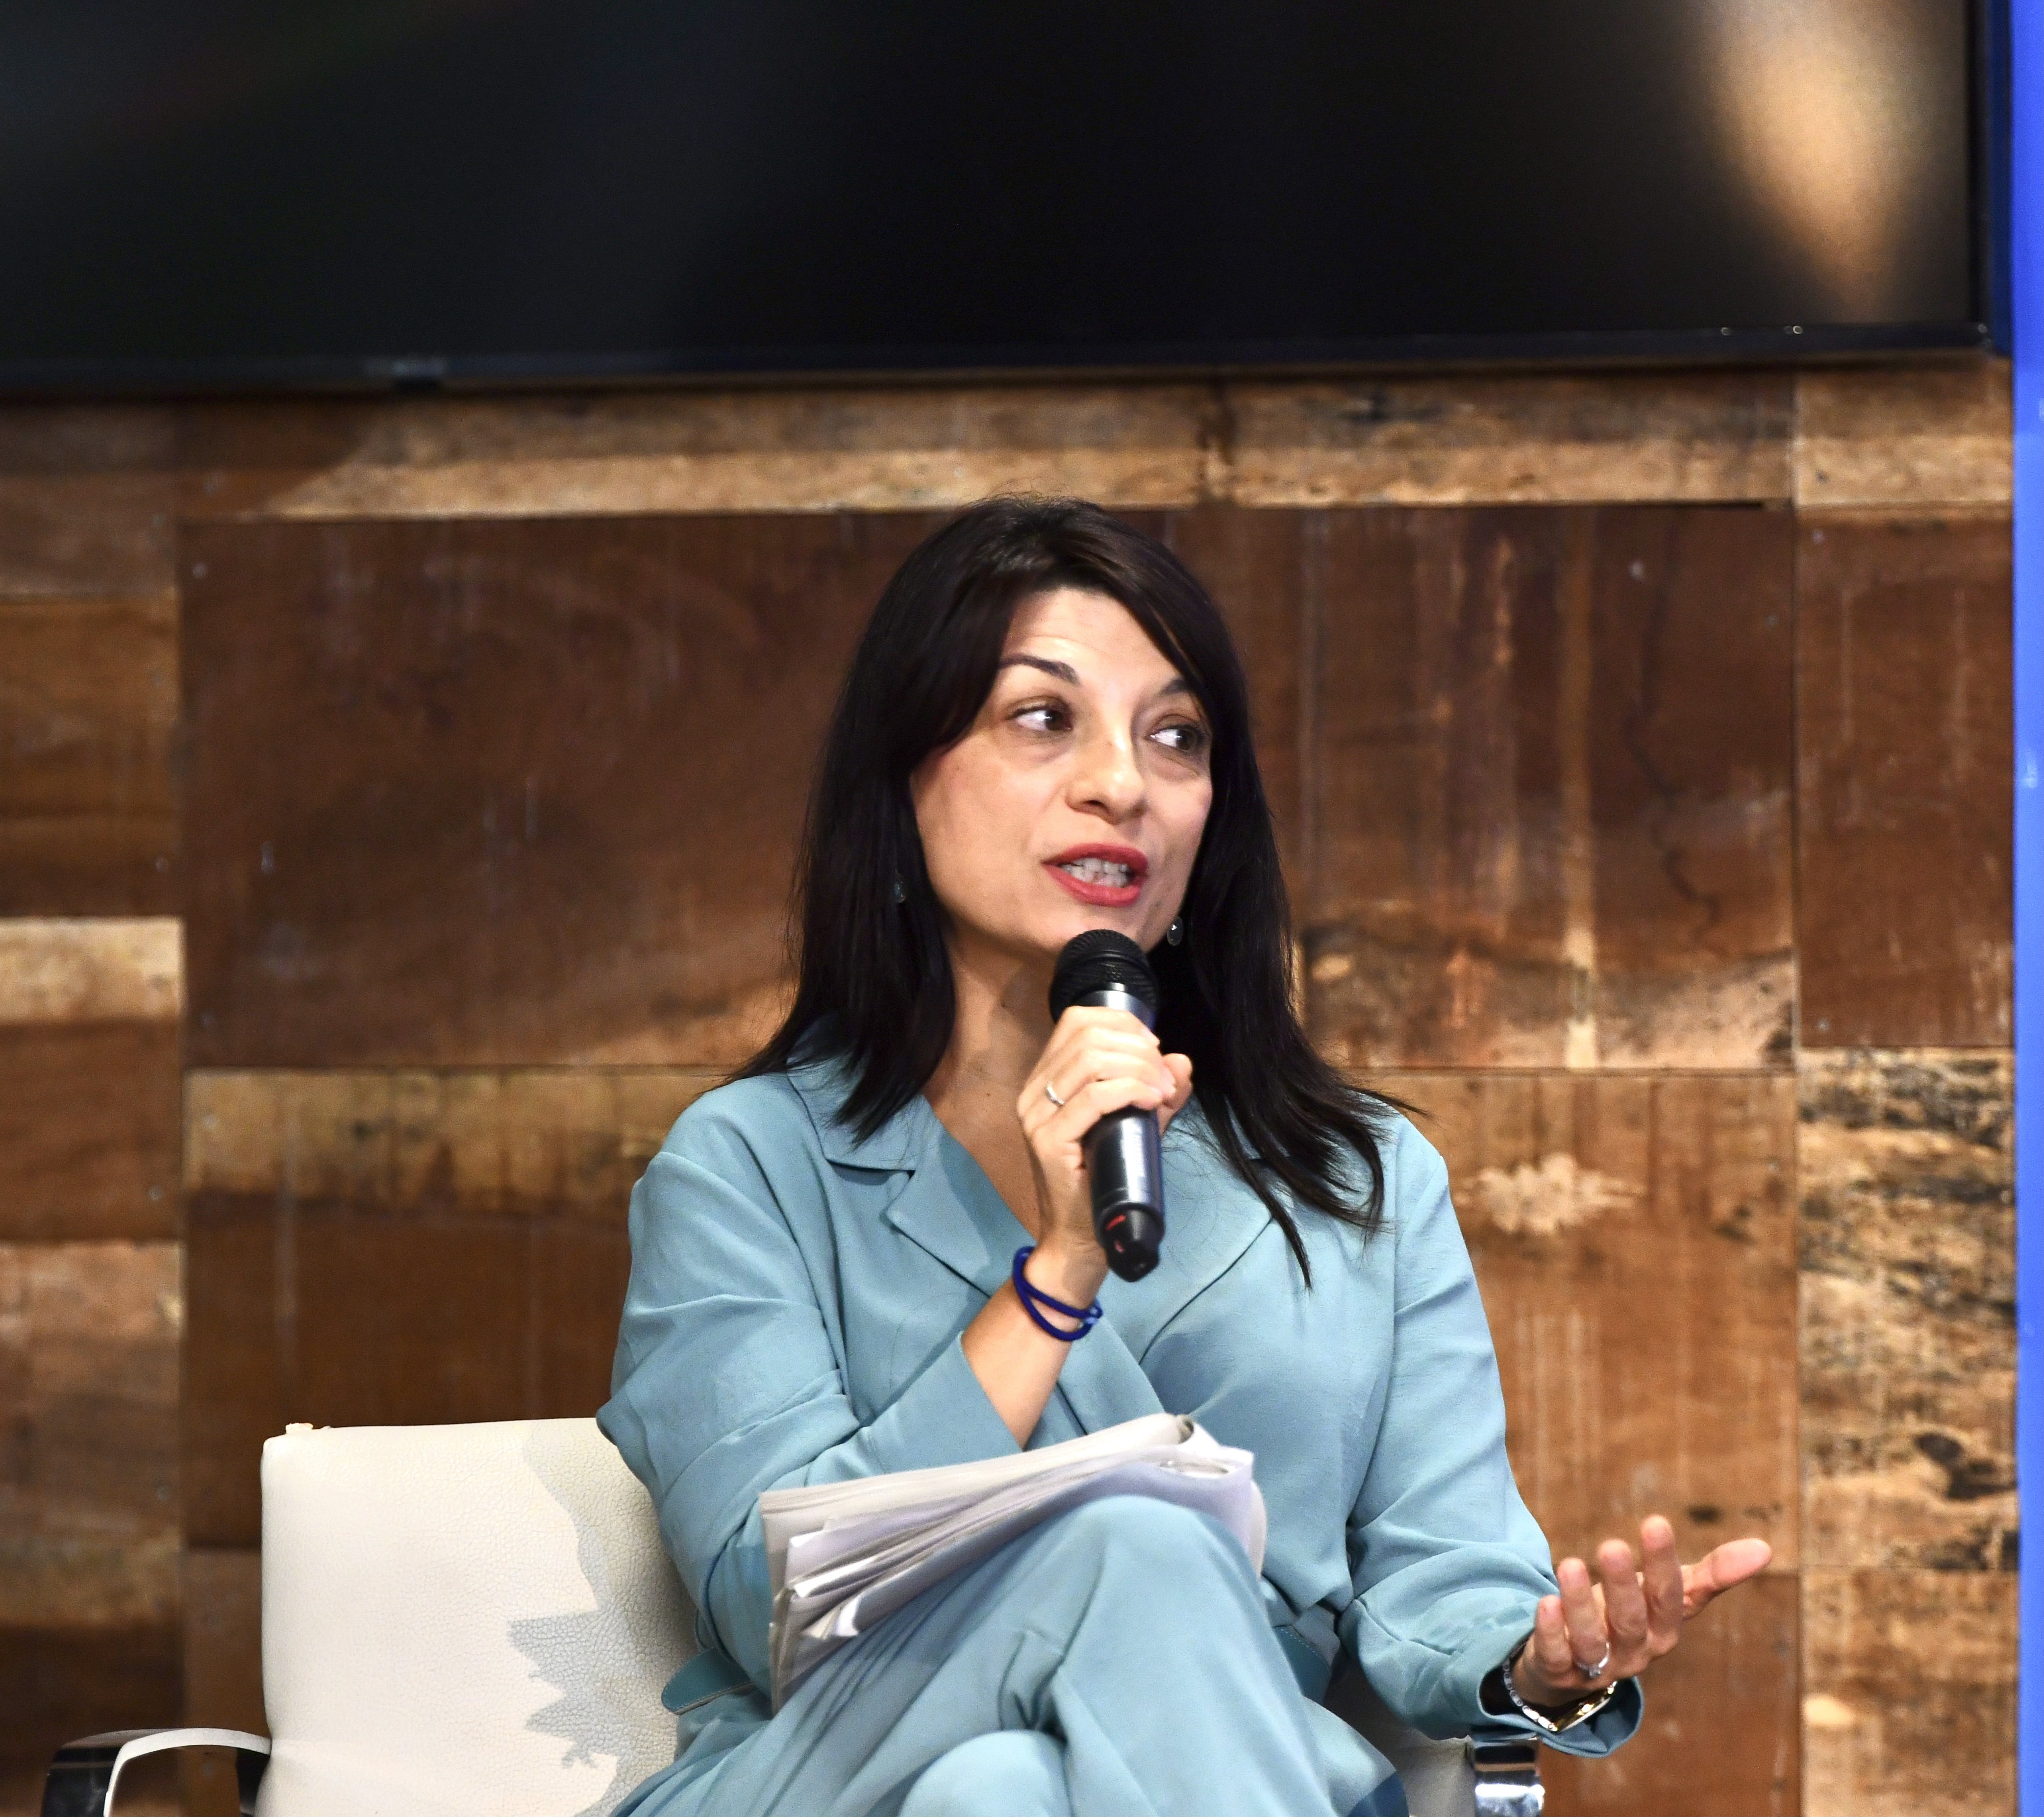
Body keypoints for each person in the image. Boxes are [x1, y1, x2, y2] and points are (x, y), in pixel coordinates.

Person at [598, 497, 1770, 1817]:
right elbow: (779, 1607)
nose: (1123, 782)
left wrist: (1544, 1666)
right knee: (1136, 1554)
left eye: (1175, 735)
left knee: (1002, 1792)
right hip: (826, 1767)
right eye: (1044, 717)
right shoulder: (747, 1166)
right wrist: (1060, 1271)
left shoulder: (1359, 1179)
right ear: (904, 777)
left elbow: (1447, 1575)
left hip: (1197, 1769)